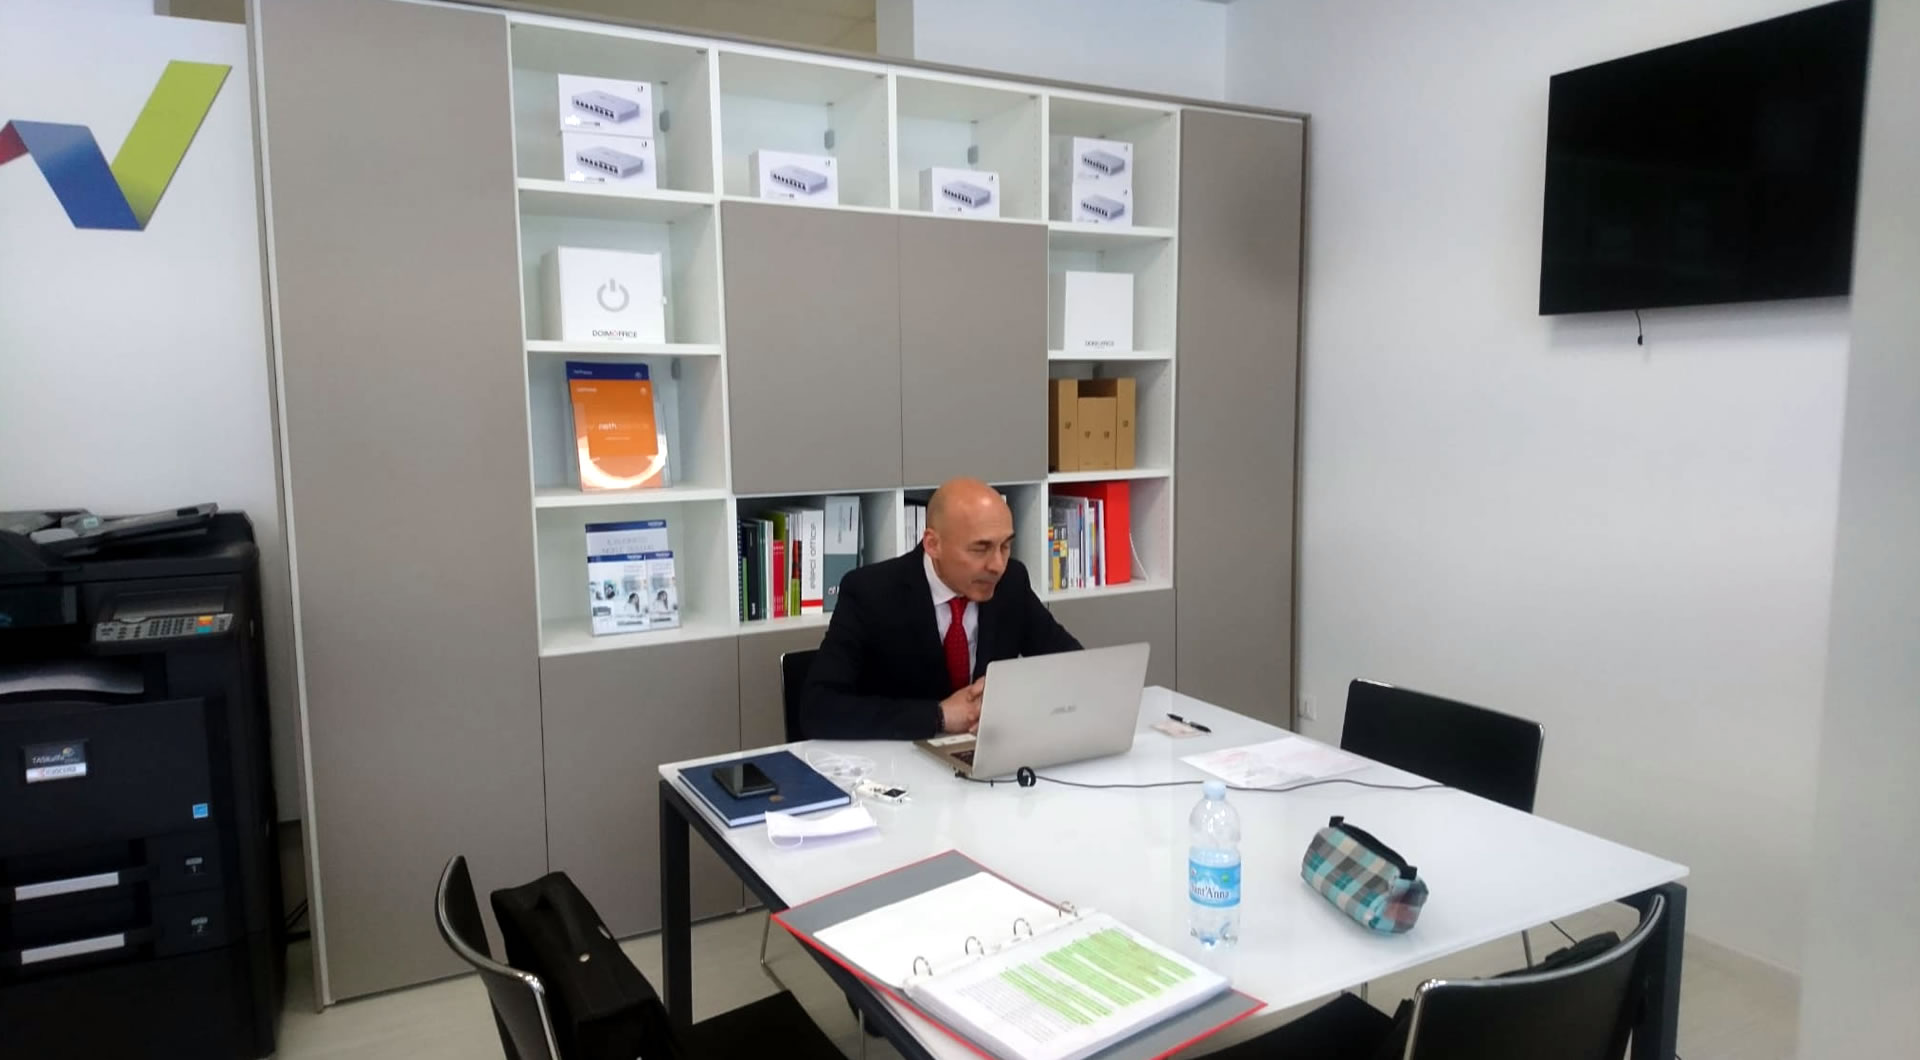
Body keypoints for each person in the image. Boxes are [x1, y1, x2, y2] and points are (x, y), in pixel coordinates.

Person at [801, 477, 1083, 740]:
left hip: (986, 752)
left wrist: (1012, 692)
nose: (997, 565)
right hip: (899, 760)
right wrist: (938, 716)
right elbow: (818, 708)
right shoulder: (871, 592)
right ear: (933, 544)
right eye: (980, 549)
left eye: (1005, 546)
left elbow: (1074, 665)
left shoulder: (1011, 582)